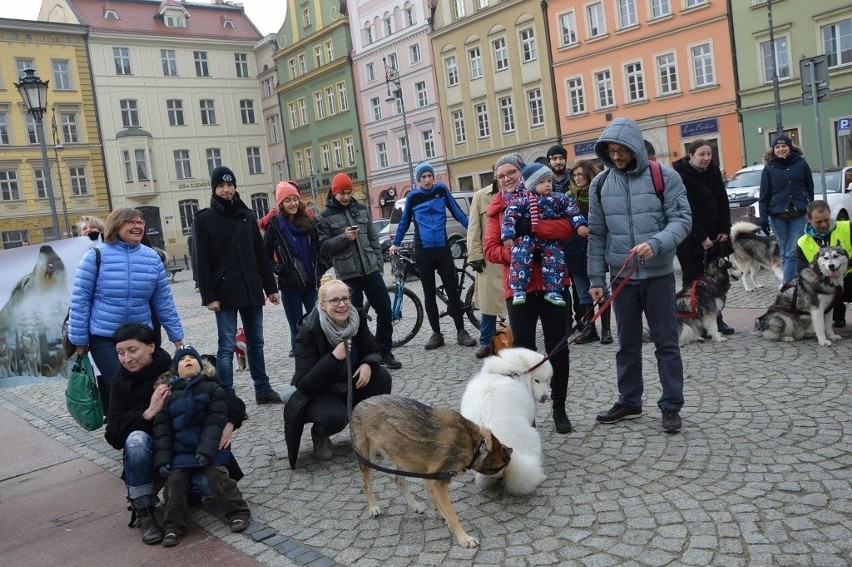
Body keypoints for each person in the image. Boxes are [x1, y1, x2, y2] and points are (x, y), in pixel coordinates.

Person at [587, 117, 692, 435]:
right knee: (626, 344)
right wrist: (595, 279)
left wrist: (657, 244)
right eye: (611, 151)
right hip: (622, 279)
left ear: (635, 148)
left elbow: (683, 220)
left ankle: (671, 405)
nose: (616, 157)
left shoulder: (665, 177)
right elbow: (596, 234)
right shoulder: (600, 184)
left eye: (622, 151)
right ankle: (629, 402)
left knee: (666, 344)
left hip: (658, 275)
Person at [105, 323, 246, 545]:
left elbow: (229, 399)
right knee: (136, 440)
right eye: (120, 353)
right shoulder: (120, 383)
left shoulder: (177, 368)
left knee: (207, 486)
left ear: (151, 346)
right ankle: (144, 511)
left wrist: (230, 422)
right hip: (156, 458)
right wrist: (148, 413)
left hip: (192, 452)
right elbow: (112, 435)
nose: (126, 359)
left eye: (133, 350)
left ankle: (184, 494)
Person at [484, 154, 576, 434]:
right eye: (501, 176)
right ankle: (528, 411)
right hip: (519, 288)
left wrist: (532, 229)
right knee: (522, 351)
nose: (507, 178)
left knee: (558, 345)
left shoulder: (546, 195)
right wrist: (519, 252)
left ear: (522, 174)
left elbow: (566, 228)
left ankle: (559, 407)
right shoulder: (496, 209)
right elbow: (490, 249)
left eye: (511, 172)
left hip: (553, 284)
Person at [68, 207, 184, 415]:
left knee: (145, 387)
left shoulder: (152, 258)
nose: (138, 225)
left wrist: (177, 337)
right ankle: (128, 435)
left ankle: (145, 431)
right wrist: (79, 341)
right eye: (131, 222)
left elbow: (164, 302)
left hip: (139, 338)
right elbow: (80, 300)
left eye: (140, 222)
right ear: (116, 225)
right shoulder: (94, 256)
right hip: (105, 338)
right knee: (119, 387)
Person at [192, 166, 283, 404]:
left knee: (256, 342)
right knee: (226, 346)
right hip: (223, 292)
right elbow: (200, 262)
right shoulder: (204, 219)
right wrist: (209, 296)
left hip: (250, 287)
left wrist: (270, 288)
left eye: (229, 185)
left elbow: (260, 255)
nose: (226, 190)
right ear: (215, 189)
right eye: (221, 186)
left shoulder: (247, 215)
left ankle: (262, 389)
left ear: (234, 187)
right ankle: (226, 395)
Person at [282, 279, 393, 468]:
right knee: (334, 417)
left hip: (350, 384)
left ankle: (370, 432)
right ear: (322, 305)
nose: (342, 305)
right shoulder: (308, 331)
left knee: (382, 376)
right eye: (334, 301)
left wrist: (367, 363)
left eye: (345, 299)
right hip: (320, 392)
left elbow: (374, 350)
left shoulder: (356, 318)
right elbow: (303, 383)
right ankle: (320, 435)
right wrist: (333, 358)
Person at [153, 345, 251, 546]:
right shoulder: (169, 396)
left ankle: (238, 512)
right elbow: (163, 430)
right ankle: (173, 526)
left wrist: (206, 451)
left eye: (192, 357)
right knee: (175, 482)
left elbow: (215, 422)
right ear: (174, 369)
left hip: (212, 448)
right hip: (181, 452)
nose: (187, 360)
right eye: (182, 359)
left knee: (218, 476)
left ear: (201, 365)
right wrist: (163, 459)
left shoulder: (212, 387)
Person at [389, 162, 477, 350]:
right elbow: (404, 223)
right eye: (424, 177)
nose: (428, 180)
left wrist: (474, 228)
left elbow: (458, 213)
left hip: (442, 248)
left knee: (452, 290)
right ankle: (437, 334)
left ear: (433, 177)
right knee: (429, 294)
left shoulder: (442, 190)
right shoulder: (413, 196)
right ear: (418, 180)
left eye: (430, 176)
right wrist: (396, 243)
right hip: (423, 250)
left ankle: (461, 332)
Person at [317, 173, 401, 369]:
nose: (346, 197)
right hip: (348, 275)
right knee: (353, 318)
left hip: (370, 270)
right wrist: (344, 238)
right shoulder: (324, 217)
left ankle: (384, 352)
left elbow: (373, 239)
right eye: (342, 193)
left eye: (348, 192)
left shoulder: (361, 210)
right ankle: (359, 358)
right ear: (334, 192)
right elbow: (323, 247)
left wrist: (379, 265)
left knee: (385, 310)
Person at [501, 163, 587, 307]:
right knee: (520, 255)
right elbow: (509, 217)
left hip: (549, 239)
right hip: (528, 238)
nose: (547, 185)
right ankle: (518, 288)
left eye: (549, 181)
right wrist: (508, 235)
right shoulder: (522, 200)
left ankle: (553, 290)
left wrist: (580, 224)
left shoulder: (558, 198)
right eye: (542, 182)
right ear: (531, 185)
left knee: (556, 257)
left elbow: (572, 210)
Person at [673, 139, 734, 335]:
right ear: (691, 155)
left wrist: (724, 229)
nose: (707, 158)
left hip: (716, 235)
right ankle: (691, 323)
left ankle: (716, 321)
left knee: (714, 282)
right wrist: (701, 237)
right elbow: (686, 210)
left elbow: (722, 200)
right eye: (702, 154)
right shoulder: (680, 176)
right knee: (692, 281)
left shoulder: (714, 171)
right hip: (690, 237)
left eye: (709, 153)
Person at [263, 181, 322, 357]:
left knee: (317, 324)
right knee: (296, 327)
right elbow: (265, 259)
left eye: (295, 199)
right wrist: (281, 269)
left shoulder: (308, 221)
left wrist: (321, 270)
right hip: (290, 286)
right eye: (287, 200)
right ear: (281, 204)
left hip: (311, 283)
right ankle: (302, 365)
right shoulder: (274, 225)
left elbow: (319, 250)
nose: (292, 204)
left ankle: (319, 359)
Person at [564, 160, 612, 345]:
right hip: (574, 248)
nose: (577, 178)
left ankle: (606, 330)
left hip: (595, 247)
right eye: (574, 175)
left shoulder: (598, 194)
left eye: (580, 174)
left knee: (601, 288)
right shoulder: (568, 197)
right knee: (583, 292)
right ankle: (590, 329)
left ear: (589, 175)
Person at [758, 134, 814, 284]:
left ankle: (786, 287)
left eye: (784, 146)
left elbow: (810, 188)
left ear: (790, 148)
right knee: (784, 253)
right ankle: (794, 284)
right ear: (773, 150)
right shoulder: (769, 168)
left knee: (791, 252)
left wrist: (811, 210)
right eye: (777, 147)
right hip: (777, 216)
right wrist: (763, 217)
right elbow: (764, 194)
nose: (781, 149)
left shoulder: (801, 164)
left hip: (799, 214)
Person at [795, 200, 852, 328]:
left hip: (849, 277)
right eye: (818, 222)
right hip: (824, 283)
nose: (824, 224)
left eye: (826, 219)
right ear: (808, 219)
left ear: (830, 214)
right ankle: (837, 317)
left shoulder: (848, 227)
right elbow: (801, 269)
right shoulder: (802, 242)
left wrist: (846, 264)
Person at [467, 179, 506, 359]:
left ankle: (517, 338)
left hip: (512, 254)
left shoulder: (520, 192)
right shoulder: (480, 196)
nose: (505, 177)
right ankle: (485, 342)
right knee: (488, 304)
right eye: (501, 173)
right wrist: (475, 255)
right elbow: (473, 228)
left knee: (517, 300)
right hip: (489, 258)